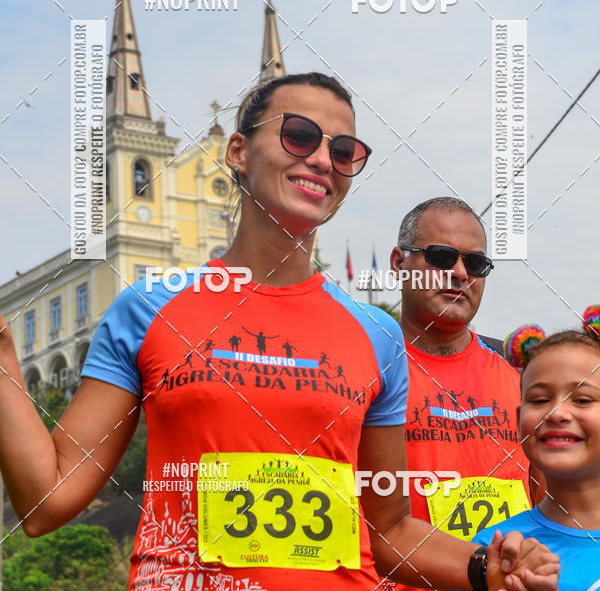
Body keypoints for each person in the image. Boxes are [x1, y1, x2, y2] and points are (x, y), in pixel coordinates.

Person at [0, 74, 558, 590]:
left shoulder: (377, 336)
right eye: (298, 136)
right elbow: (46, 500)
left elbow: (389, 529)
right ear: (238, 152)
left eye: (343, 152)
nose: (321, 160)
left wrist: (489, 567)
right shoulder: (148, 309)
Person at [387, 198, 536, 591]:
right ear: (399, 264)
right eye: (440, 256)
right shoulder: (364, 367)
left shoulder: (521, 369)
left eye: (475, 264)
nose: (458, 273)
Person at [472, 320, 600, 590]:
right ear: (519, 420)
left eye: (582, 400)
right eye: (540, 400)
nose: (556, 413)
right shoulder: (495, 552)